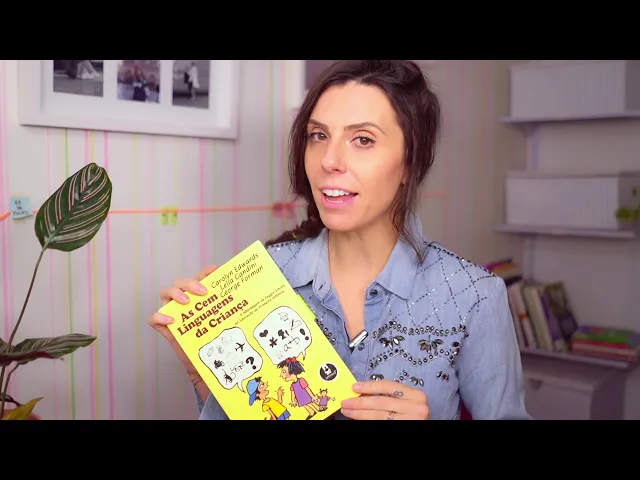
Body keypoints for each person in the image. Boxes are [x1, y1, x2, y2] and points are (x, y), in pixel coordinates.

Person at [148, 60, 532, 420]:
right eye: (318, 135)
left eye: (362, 139)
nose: (328, 160)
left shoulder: (475, 296)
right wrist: (199, 372)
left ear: (410, 162)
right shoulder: (260, 278)